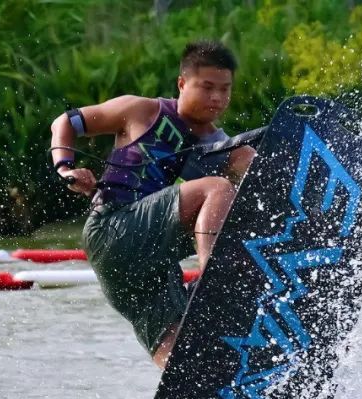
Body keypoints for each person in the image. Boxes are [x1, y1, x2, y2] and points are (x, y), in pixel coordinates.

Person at [50, 40, 257, 369]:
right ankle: (213, 280)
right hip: (114, 230)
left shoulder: (222, 147)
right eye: (207, 87)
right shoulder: (141, 111)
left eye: (225, 89)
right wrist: (66, 169)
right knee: (217, 188)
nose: (217, 98)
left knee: (184, 359)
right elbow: (65, 122)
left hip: (155, 263)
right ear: (182, 84)